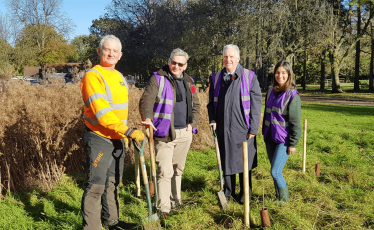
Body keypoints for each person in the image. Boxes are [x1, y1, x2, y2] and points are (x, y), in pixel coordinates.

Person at [80, 35, 144, 230]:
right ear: (99, 51)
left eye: (115, 51)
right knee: (96, 185)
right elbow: (102, 113)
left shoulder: (118, 76)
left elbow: (119, 111)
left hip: (118, 137)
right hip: (99, 137)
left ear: (120, 55)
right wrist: (128, 131)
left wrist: (123, 134)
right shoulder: (93, 76)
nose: (111, 54)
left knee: (113, 182)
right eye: (107, 50)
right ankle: (92, 227)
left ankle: (112, 221)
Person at [139, 48, 200, 218]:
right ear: (169, 61)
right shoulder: (158, 79)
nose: (176, 66)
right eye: (174, 62)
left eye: (180, 64)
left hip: (185, 133)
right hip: (164, 133)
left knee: (177, 170)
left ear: (185, 66)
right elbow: (146, 100)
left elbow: (196, 105)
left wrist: (192, 125)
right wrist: (148, 119)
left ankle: (175, 201)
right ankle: (164, 208)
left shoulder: (190, 82)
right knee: (165, 171)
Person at [207, 44, 262, 205]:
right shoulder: (216, 77)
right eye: (225, 56)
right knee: (227, 160)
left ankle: (245, 193)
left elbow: (256, 104)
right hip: (223, 128)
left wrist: (253, 128)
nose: (228, 59)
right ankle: (228, 192)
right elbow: (211, 104)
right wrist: (213, 120)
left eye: (231, 56)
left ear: (238, 58)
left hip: (243, 128)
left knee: (244, 161)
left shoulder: (249, 77)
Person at [262, 60, 301, 202]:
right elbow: (267, 114)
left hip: (284, 140)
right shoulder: (271, 91)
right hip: (270, 138)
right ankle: (277, 197)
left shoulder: (293, 95)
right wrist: (264, 133)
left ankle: (284, 202)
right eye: (277, 73)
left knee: (275, 171)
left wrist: (293, 143)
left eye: (283, 73)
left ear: (289, 74)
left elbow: (295, 123)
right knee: (274, 171)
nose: (280, 75)